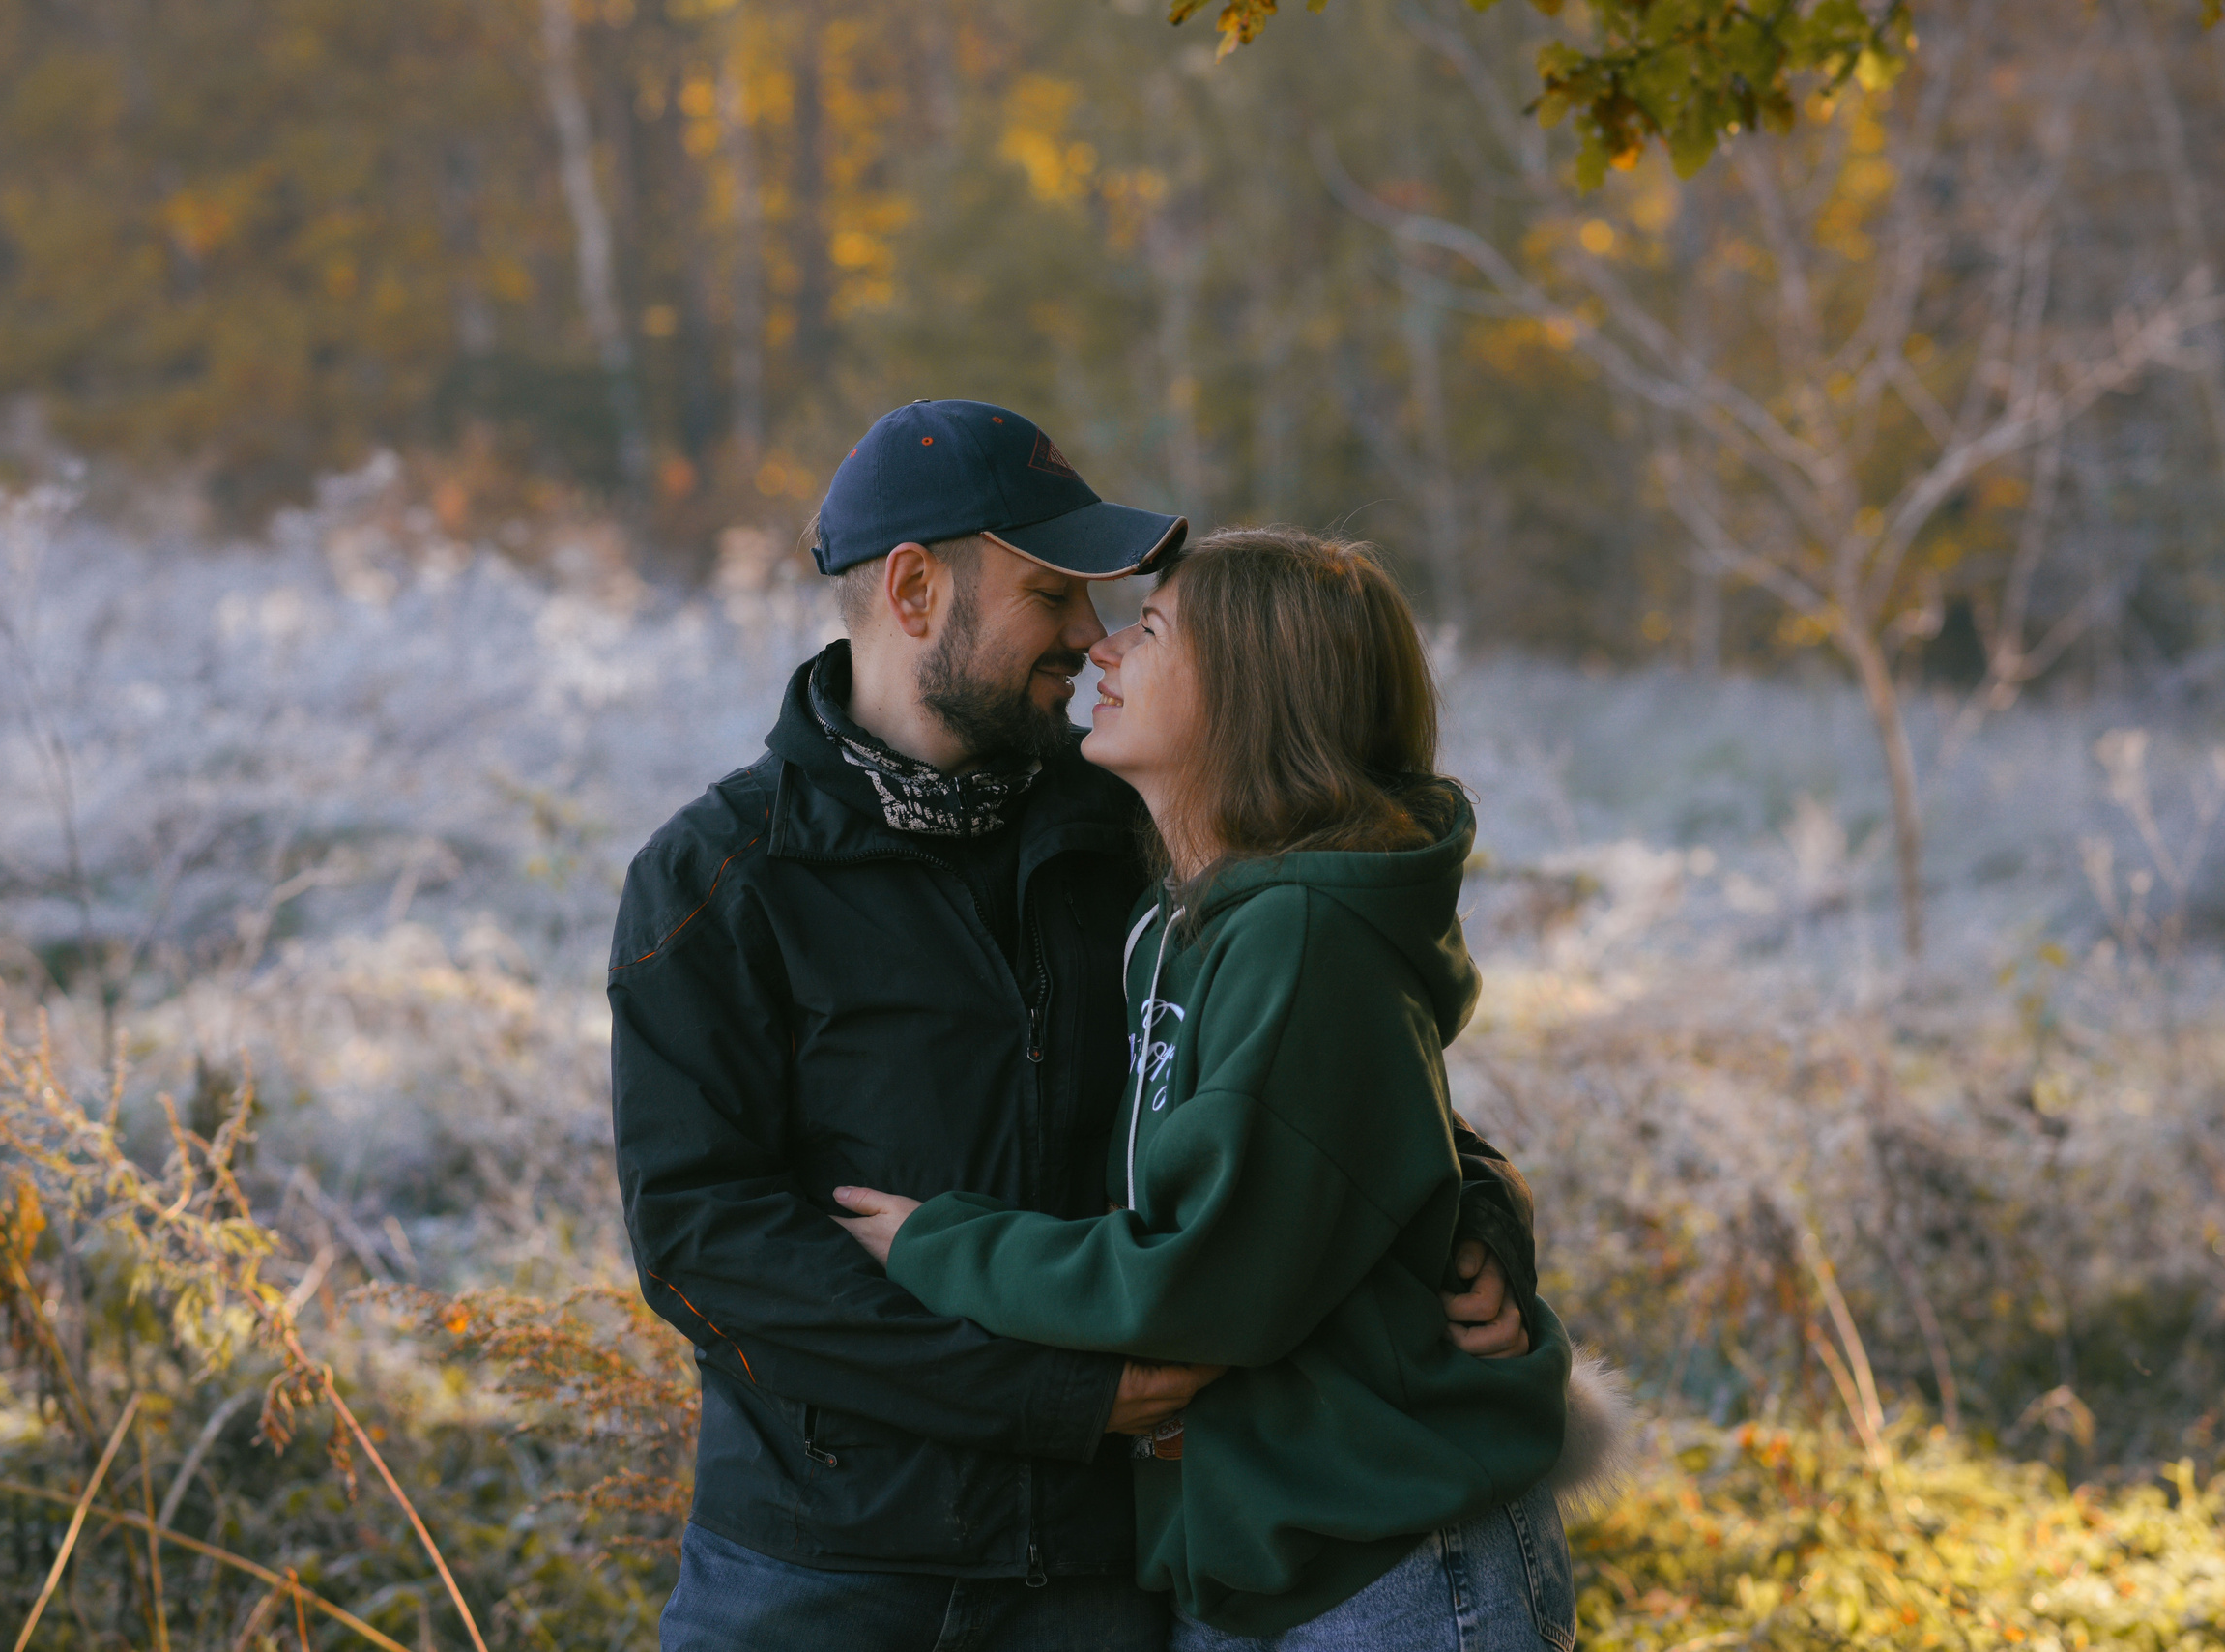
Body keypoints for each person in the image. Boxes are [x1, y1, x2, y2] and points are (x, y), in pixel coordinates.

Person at [610, 402, 1549, 1652]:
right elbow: (701, 1234)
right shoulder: (719, 879)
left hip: (1098, 1575)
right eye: (1054, 594)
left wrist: (1475, 1206)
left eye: (1112, 608)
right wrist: (1052, 1395)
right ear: (911, 590)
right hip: (816, 1568)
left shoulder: (1135, 829)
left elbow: (1310, 1077)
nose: (1090, 638)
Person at [832, 526, 1601, 1649]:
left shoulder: (1299, 937)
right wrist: (1482, 1196)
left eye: (1149, 629)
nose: (1102, 652)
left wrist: (940, 1248)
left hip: (1391, 1563)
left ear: (1253, 690)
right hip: (1257, 1554)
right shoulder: (1177, 920)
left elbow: (1209, 1273)